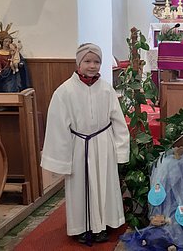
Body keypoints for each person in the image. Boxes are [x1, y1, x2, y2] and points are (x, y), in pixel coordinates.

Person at [40, 43, 130, 245]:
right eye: (87, 61)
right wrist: (61, 158)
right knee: (80, 187)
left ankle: (104, 224)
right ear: (78, 63)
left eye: (96, 61)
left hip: (103, 144)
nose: (92, 66)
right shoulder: (64, 92)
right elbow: (57, 126)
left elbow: (118, 121)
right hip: (79, 145)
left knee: (104, 183)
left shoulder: (106, 89)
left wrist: (121, 149)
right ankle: (82, 227)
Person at [0, 23, 31, 92]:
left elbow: (19, 58)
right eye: (6, 41)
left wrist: (20, 63)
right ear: (1, 42)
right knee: (9, 88)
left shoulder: (13, 50)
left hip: (16, 74)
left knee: (19, 86)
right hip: (6, 75)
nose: (8, 43)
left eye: (9, 41)